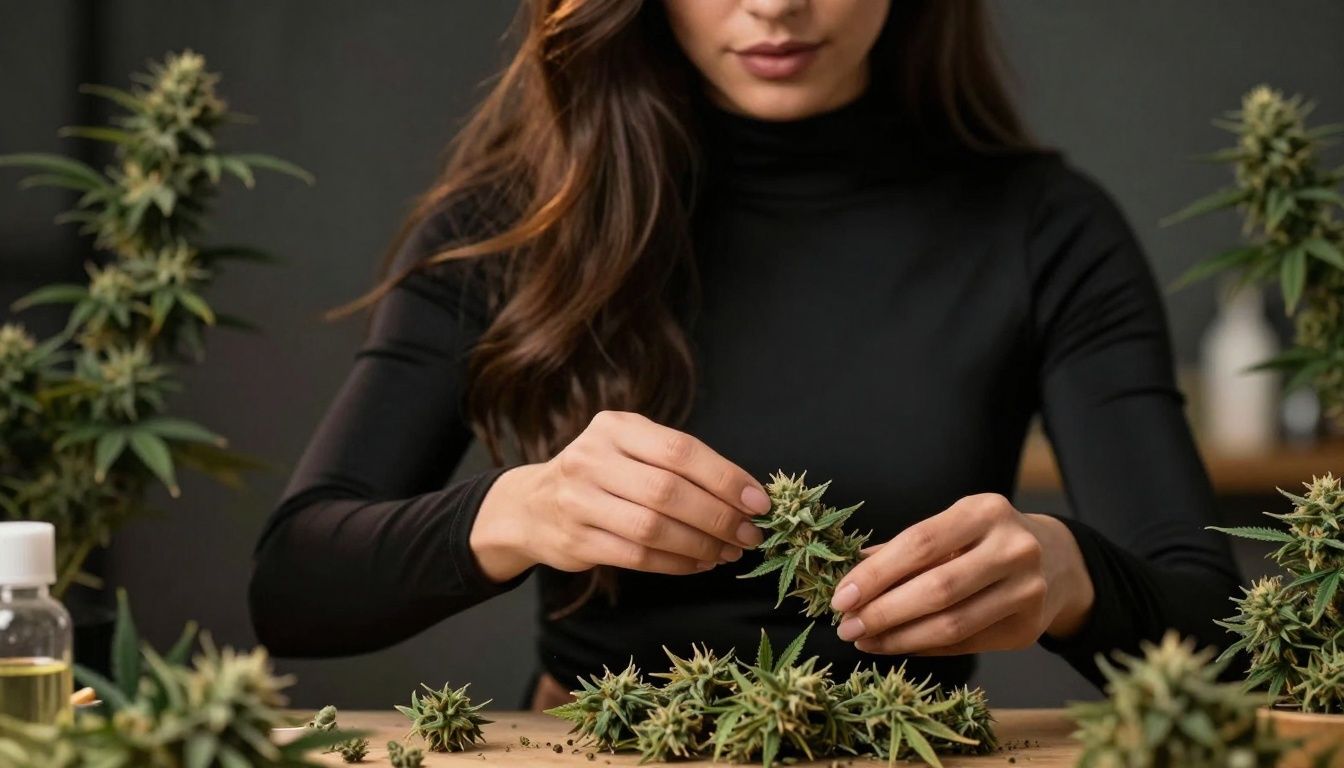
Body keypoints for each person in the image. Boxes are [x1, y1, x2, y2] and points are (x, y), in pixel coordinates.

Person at [249, 0, 1243, 710]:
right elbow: (294, 587)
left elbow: (1222, 644)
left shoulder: (1048, 230)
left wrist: (1076, 582)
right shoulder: (515, 224)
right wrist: (523, 511)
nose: (777, 6)